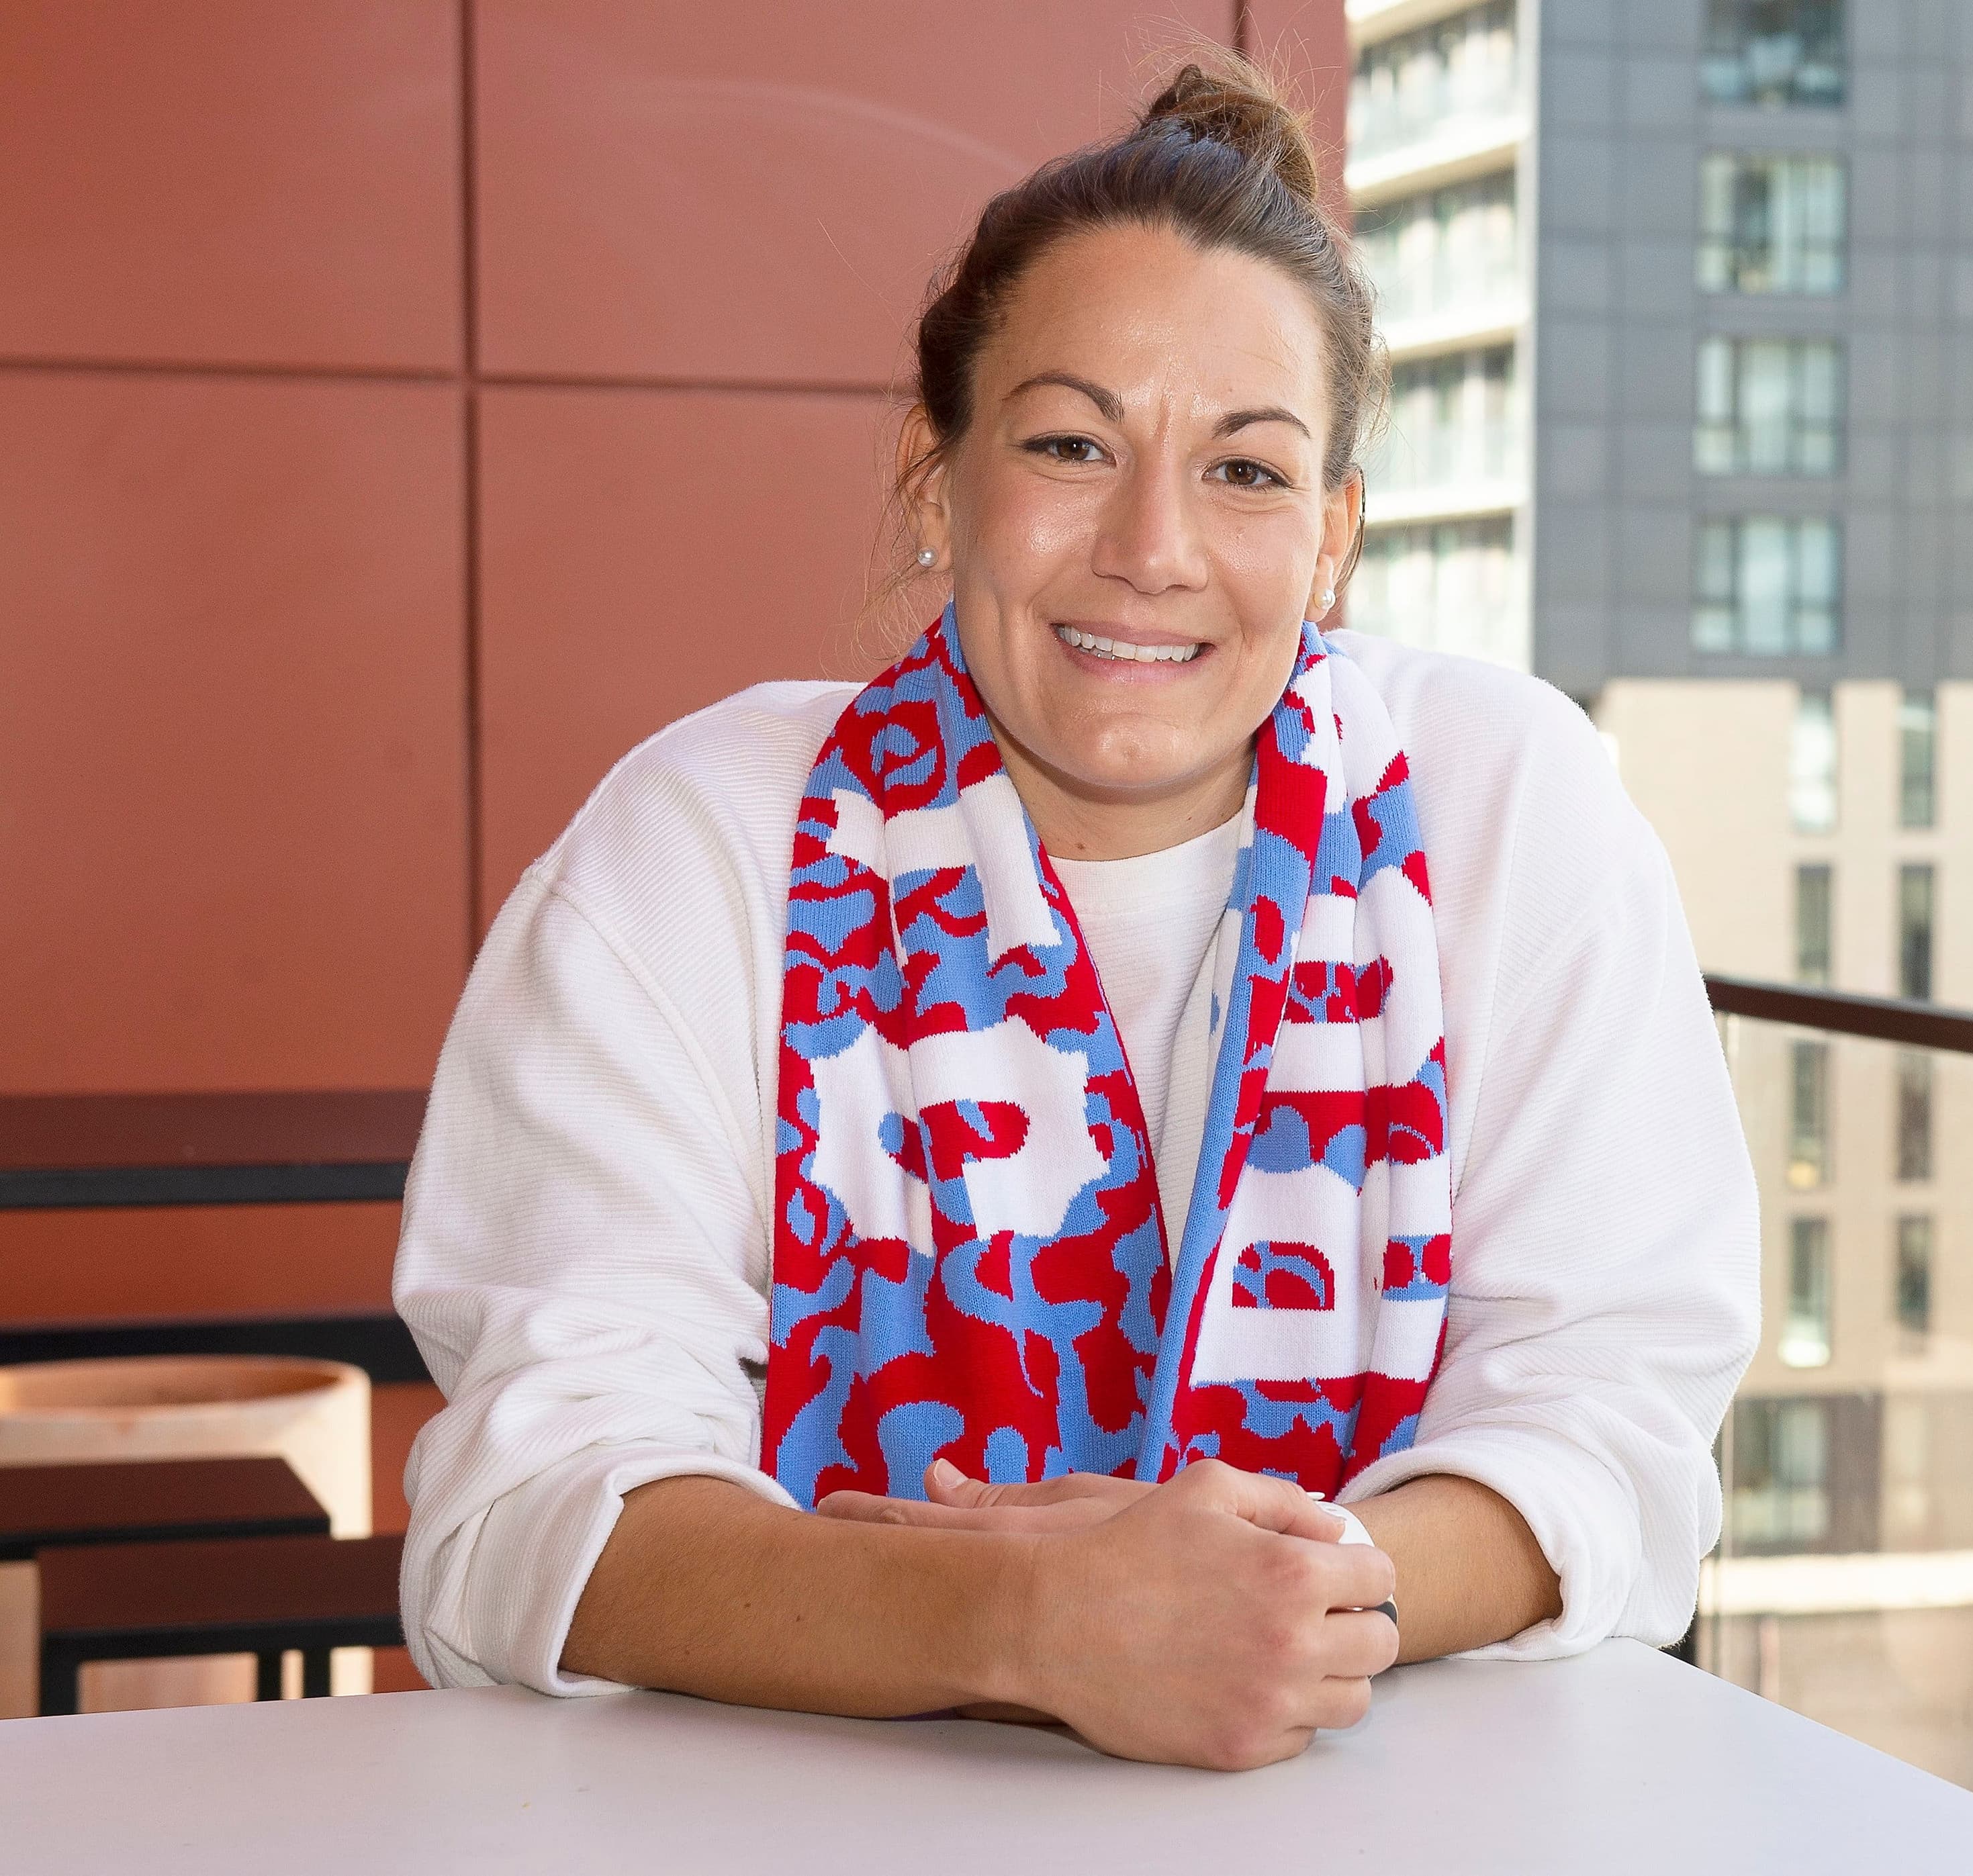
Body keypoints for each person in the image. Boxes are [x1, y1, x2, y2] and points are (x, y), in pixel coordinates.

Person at [394, 54, 1759, 1773]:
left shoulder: (1509, 804)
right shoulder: (699, 843)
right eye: (1069, 442)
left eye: (1249, 474)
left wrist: (1265, 1609)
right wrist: (1033, 1621)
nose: (1153, 545)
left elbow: (1613, 1416)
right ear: (935, 468)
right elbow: (528, 1508)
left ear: (1334, 534)